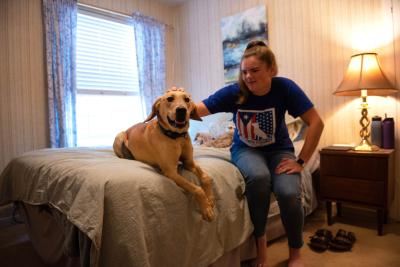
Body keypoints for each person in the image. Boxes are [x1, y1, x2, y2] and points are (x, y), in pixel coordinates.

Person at [196, 40, 324, 267]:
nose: (248, 76)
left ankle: (295, 254)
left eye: (254, 70)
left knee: (287, 192)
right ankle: (261, 246)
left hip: (280, 150)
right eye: (244, 72)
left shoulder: (285, 88)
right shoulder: (234, 92)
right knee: (259, 177)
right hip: (245, 149)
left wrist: (301, 161)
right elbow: (196, 110)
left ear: (271, 69)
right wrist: (173, 103)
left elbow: (316, 123)